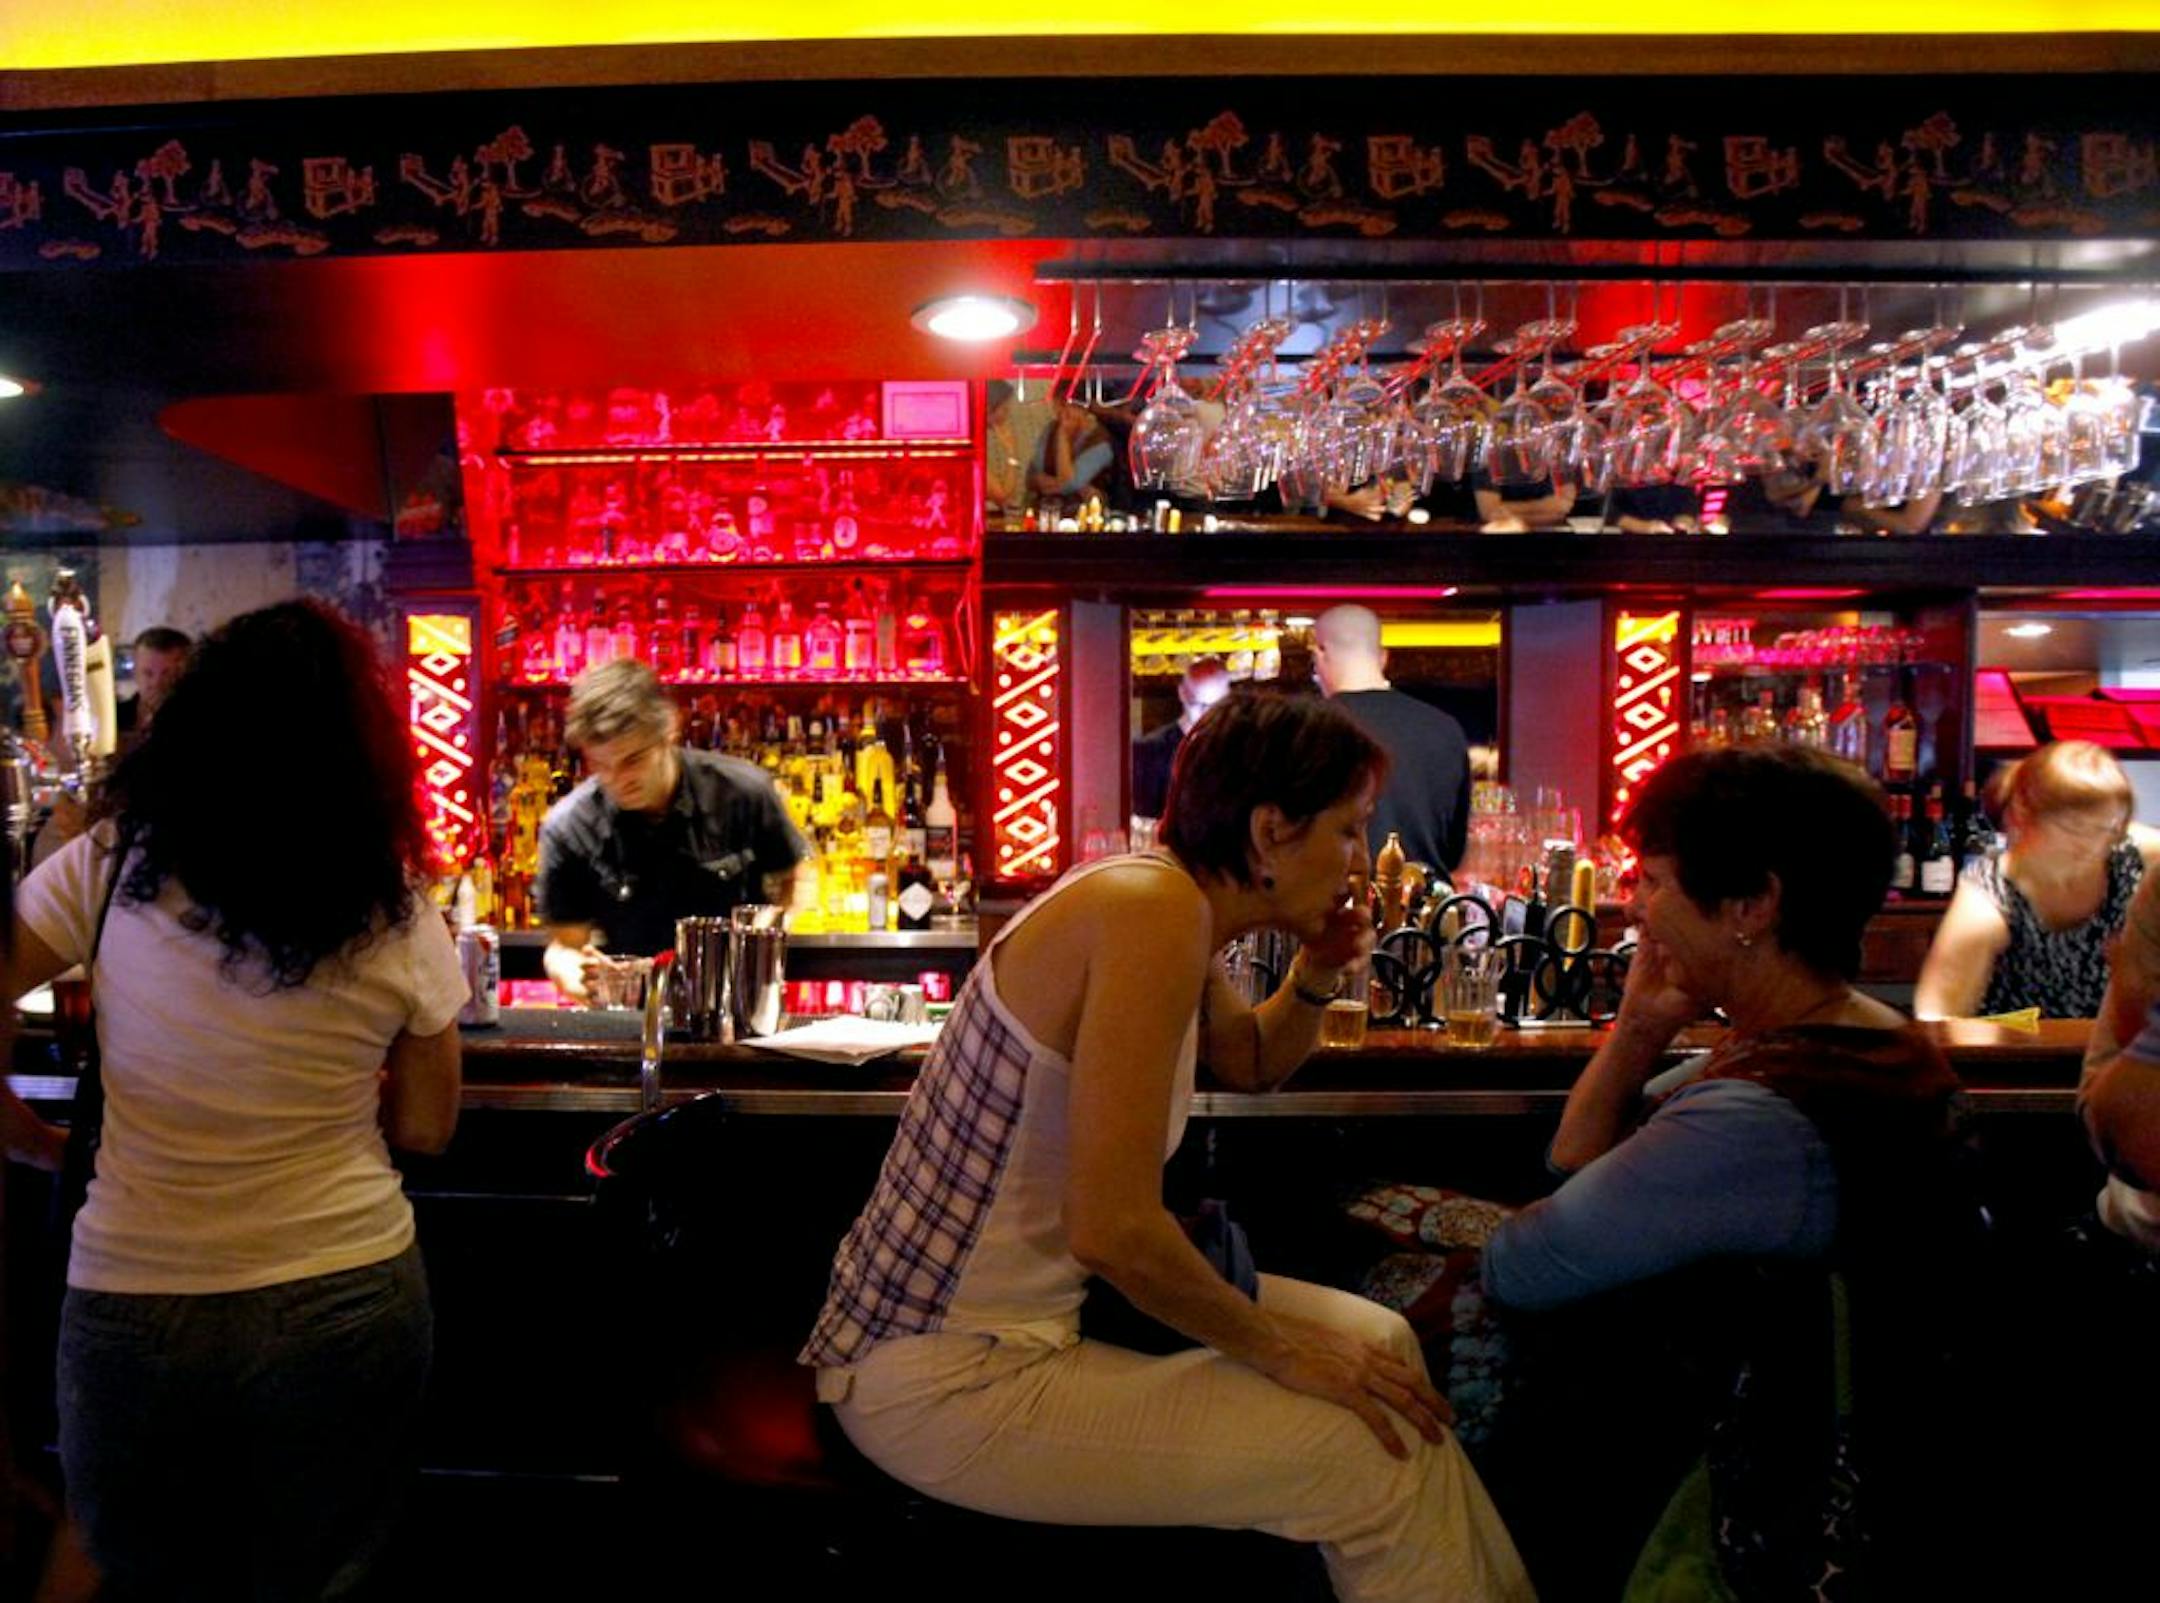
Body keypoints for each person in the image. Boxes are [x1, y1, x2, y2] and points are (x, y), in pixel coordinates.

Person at [802, 692, 1533, 1603]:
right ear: (1271, 830)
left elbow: (1253, 1059)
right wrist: (1280, 1351)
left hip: (1017, 1327)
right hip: (951, 1373)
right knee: (1369, 1455)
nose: (1361, 861)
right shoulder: (1150, 910)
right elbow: (1111, 1229)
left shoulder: (1162, 895)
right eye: (1348, 831)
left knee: (1381, 1343)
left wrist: (1314, 973)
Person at [4, 599, 465, 1600]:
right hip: (340, 1283)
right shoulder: (394, 903)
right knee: (310, 1579)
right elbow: (427, 1128)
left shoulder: (113, 863)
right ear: (359, 749)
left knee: (120, 1561)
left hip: (135, 1284)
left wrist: (27, 1136)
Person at [1481, 745, 1982, 1599]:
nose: (1637, 908)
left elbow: (1522, 1265)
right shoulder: (1860, 1040)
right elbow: (1573, 1159)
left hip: (1759, 1504)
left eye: (1657, 882)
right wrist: (1639, 1025)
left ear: (1752, 903)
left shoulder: (1758, 1115)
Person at [536, 658, 806, 1002]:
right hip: (628, 1019)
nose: (619, 780)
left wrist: (766, 937)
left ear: (668, 733)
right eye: (602, 765)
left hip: (734, 1010)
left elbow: (795, 879)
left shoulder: (743, 792)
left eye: (632, 761)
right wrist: (578, 979)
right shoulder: (571, 825)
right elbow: (564, 945)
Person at [1915, 741, 2160, 1019]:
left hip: (2117, 1050)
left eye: (2106, 827)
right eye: (2074, 828)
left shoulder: (2135, 854)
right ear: (2024, 815)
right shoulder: (1989, 898)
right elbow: (1936, 1017)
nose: (2092, 844)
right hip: (2017, 1054)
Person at [1311, 605, 1471, 879]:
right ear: (1383, 658)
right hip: (1430, 913)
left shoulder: (1308, 729)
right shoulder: (1444, 728)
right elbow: (1453, 852)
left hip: (1338, 911)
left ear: (1319, 653)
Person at [1131, 656, 1230, 820]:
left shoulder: (1240, 748)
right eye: (1199, 705)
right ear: (1182, 693)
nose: (1207, 715)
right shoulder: (1150, 751)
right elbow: (1143, 820)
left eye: (1215, 707)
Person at [119, 626, 191, 739]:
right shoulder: (113, 717)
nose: (156, 683)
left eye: (167, 674)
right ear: (134, 671)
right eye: (148, 673)